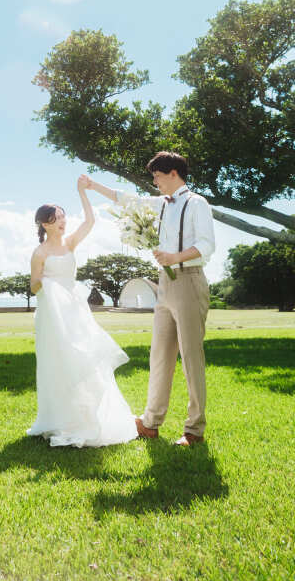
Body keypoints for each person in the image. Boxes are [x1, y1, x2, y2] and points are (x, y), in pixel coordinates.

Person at [82, 151, 215, 446]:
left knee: (191, 358)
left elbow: (207, 245)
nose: (154, 182)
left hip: (189, 280)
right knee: (160, 356)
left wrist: (175, 257)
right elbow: (127, 199)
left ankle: (194, 430)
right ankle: (151, 422)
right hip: (164, 285)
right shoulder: (161, 204)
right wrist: (93, 186)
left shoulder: (197, 203)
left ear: (173, 173)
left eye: (157, 176)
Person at [27, 176, 139, 448]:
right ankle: (60, 419)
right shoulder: (39, 253)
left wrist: (82, 192)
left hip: (75, 312)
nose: (62, 222)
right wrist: (50, 286)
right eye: (55, 218)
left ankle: (89, 416)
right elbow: (33, 286)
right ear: (44, 224)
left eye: (63, 216)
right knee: (57, 364)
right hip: (52, 316)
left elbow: (90, 221)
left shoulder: (70, 243)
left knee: (84, 359)